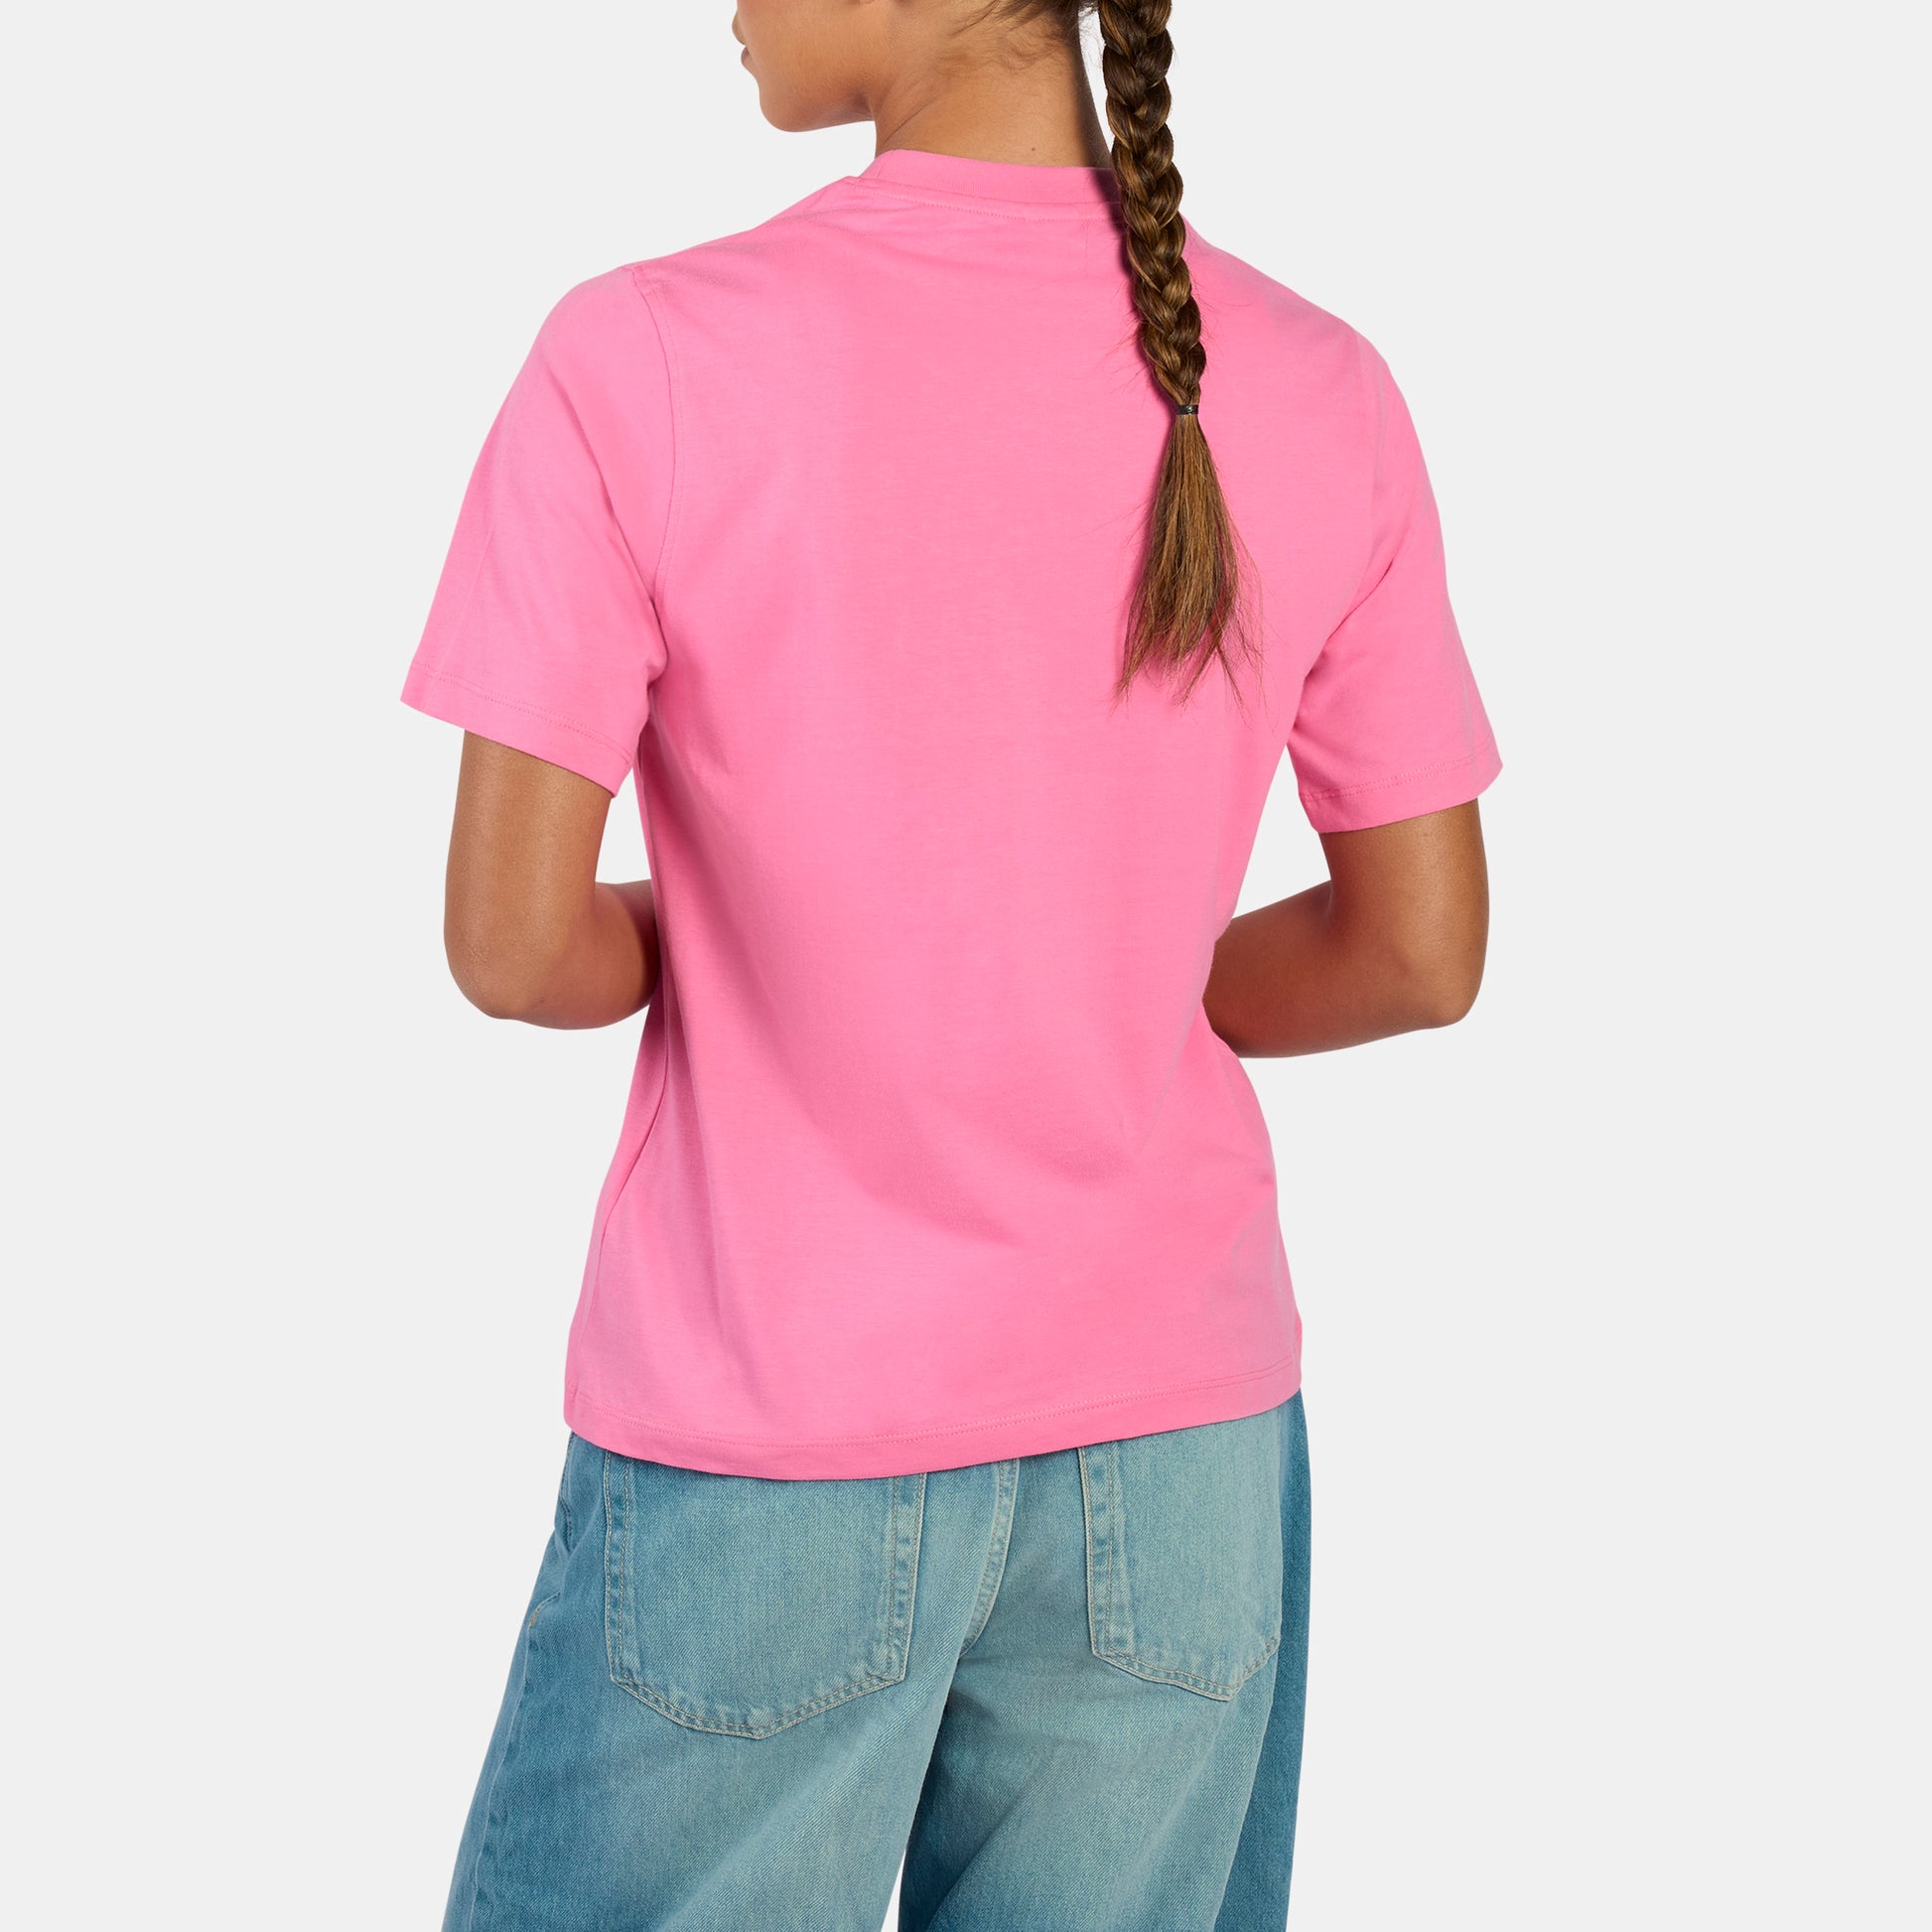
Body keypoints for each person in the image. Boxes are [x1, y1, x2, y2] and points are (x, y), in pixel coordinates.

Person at [401, 3, 1500, 1925]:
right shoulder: (1318, 377)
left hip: (778, 1428)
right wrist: (1120, 976)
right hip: (1179, 1449)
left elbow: (512, 945)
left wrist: (697, 926)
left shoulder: (646, 352)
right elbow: (1416, 952)